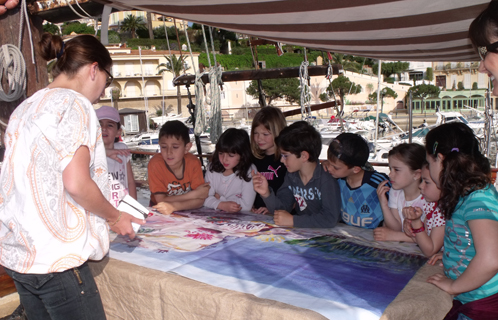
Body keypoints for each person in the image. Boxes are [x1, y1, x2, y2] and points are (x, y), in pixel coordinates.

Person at [0, 33, 143, 320]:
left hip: (19, 254)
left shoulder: (25, 107)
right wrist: (115, 217)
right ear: (94, 69)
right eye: (107, 78)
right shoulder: (75, 105)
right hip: (56, 260)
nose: (103, 89)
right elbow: (77, 184)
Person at [424, 120, 498, 319]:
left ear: (440, 159)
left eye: (430, 163)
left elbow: (491, 259)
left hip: (482, 300)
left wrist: (454, 285)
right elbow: (473, 238)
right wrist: (454, 252)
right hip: (473, 294)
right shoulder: (467, 193)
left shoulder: (478, 199)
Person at [252, 121, 341, 228]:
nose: (281, 160)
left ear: (304, 156)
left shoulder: (326, 179)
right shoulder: (292, 176)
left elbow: (330, 219)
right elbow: (282, 209)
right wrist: (266, 193)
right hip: (304, 233)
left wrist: (293, 220)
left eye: (285, 155)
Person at [325, 133, 389, 229]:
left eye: (335, 167)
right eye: (328, 162)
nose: (329, 168)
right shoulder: (337, 180)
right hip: (347, 234)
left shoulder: (378, 183)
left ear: (356, 169)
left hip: (375, 236)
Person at [148, 120, 210, 214]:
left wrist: (173, 207)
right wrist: (193, 195)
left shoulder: (193, 163)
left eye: (175, 147)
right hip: (160, 209)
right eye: (164, 147)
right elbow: (160, 201)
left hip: (188, 208)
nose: (169, 152)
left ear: (187, 148)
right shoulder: (155, 164)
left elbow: (201, 199)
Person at [375, 143, 427, 242]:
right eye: (390, 169)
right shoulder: (395, 192)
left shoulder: (428, 197)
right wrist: (384, 204)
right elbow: (396, 228)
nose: (390, 175)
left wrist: (394, 236)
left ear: (416, 174)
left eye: (396, 170)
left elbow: (430, 237)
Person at [204, 128, 257, 212]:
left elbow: (246, 206)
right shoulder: (212, 168)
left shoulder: (249, 171)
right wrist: (222, 205)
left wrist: (219, 200)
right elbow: (204, 199)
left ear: (242, 154)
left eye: (231, 155)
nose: (225, 159)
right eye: (221, 153)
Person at [96, 105, 137, 207]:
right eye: (100, 125)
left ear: (118, 132)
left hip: (122, 207)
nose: (104, 128)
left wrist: (134, 206)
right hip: (102, 210)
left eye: (109, 125)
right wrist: (106, 152)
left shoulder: (122, 149)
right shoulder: (90, 153)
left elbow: (130, 181)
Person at [402, 163, 445, 257]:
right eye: (422, 181)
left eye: (427, 182)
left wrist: (416, 223)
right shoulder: (432, 205)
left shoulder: (443, 212)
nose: (420, 186)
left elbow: (430, 251)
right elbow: (422, 239)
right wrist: (411, 224)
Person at [250, 107, 287, 214]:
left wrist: (272, 209)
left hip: (280, 214)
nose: (259, 138)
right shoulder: (252, 159)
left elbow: (289, 197)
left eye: (265, 134)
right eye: (256, 133)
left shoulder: (287, 161)